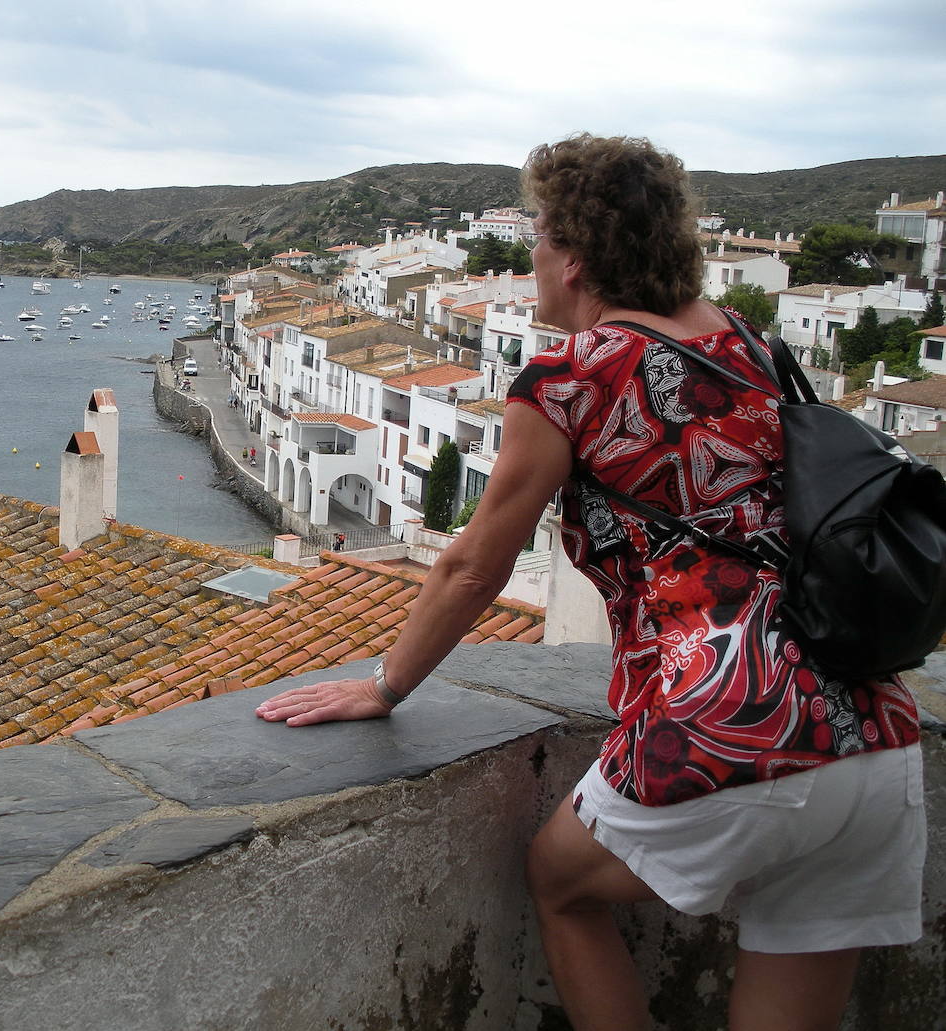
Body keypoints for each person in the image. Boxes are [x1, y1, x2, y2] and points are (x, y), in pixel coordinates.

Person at [256, 133, 925, 1031]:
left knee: (559, 878)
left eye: (537, 235)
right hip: (872, 734)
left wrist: (385, 684)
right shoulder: (752, 348)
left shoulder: (570, 377)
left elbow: (474, 561)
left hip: (734, 721)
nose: (530, 255)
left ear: (573, 258)